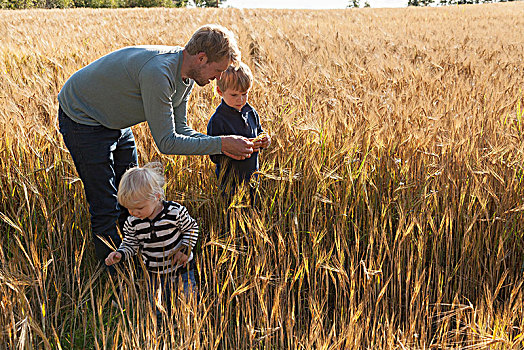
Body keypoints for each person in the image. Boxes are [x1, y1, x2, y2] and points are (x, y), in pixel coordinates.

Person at [57, 24, 254, 266]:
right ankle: (113, 274)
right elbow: (167, 142)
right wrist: (222, 145)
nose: (219, 78)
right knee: (106, 203)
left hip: (115, 121)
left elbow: (181, 130)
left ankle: (132, 254)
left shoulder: (187, 76)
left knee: (135, 194)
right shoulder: (159, 74)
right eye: (218, 70)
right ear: (201, 58)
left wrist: (225, 143)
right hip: (82, 117)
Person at [105, 163, 198, 325]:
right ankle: (162, 330)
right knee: (158, 305)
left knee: (187, 300)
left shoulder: (175, 213)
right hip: (154, 273)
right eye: (129, 209)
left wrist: (185, 249)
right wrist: (120, 253)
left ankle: (189, 327)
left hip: (181, 269)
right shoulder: (133, 222)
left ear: (155, 197)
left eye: (139, 208)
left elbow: (191, 228)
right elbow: (131, 243)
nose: (134, 213)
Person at [206, 62, 271, 203]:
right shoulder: (218, 120)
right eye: (234, 95)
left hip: (253, 177)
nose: (240, 99)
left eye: (244, 94)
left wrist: (265, 140)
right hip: (230, 182)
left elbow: (259, 131)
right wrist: (233, 150)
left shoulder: (251, 111)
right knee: (232, 217)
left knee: (252, 211)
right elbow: (213, 155)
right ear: (219, 92)